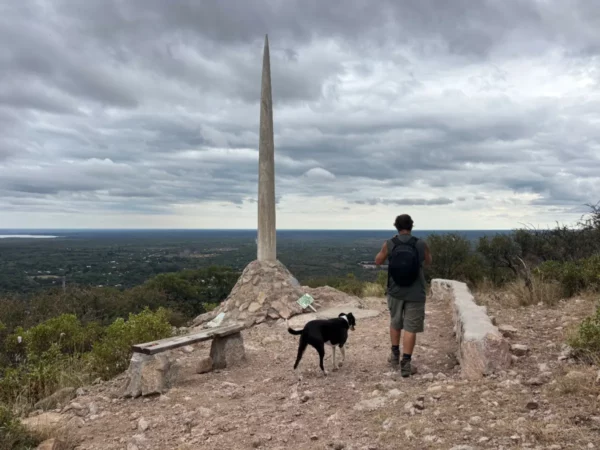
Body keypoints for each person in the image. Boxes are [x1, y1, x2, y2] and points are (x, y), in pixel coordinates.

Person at [375, 214, 432, 377]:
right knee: (410, 328)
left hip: (395, 290)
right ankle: (406, 364)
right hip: (416, 292)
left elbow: (378, 261)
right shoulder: (421, 244)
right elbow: (428, 262)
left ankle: (394, 356)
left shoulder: (390, 243)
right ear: (411, 226)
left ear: (396, 227)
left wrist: (388, 249)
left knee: (395, 322)